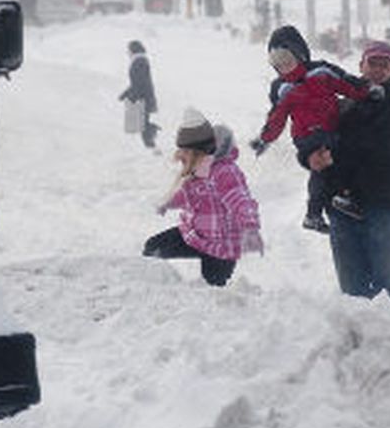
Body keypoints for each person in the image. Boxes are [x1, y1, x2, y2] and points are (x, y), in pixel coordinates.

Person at [308, 40, 390, 314]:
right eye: (372, 63)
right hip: (342, 207)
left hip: (383, 204)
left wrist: (365, 115)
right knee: (352, 287)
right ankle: (362, 342)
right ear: (361, 67)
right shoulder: (342, 106)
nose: (377, 70)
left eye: (384, 64)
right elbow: (319, 145)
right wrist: (311, 158)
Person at [249, 25, 374, 233]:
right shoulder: (281, 87)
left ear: (299, 53)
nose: (283, 65)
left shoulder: (321, 71)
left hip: (330, 127)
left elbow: (346, 84)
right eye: (276, 62)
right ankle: (343, 194)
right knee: (329, 155)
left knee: (325, 167)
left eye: (286, 58)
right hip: (305, 135)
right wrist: (265, 139)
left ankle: (313, 214)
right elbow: (276, 118)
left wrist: (367, 92)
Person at [143, 109, 263, 287]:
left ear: (198, 152)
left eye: (185, 152)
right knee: (153, 248)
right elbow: (186, 195)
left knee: (213, 292)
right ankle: (152, 289)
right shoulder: (196, 171)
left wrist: (250, 227)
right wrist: (168, 203)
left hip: (221, 248)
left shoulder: (225, 172)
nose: (181, 157)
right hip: (194, 236)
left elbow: (241, 201)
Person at [118, 40, 159, 149]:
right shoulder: (139, 61)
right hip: (143, 96)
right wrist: (125, 94)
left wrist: (131, 96)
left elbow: (140, 82)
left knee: (141, 125)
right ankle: (151, 144)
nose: (127, 52)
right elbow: (137, 82)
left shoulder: (139, 62)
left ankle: (152, 146)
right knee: (140, 123)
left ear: (133, 49)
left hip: (142, 97)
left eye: (129, 50)